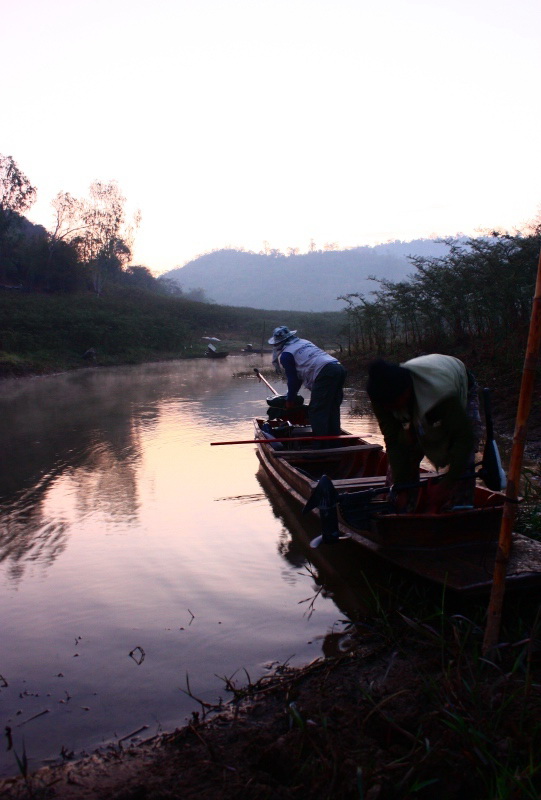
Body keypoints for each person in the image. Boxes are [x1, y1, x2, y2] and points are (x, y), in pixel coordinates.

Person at [366, 353, 482, 513]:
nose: (390, 409)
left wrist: (447, 484)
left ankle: (460, 509)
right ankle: (400, 509)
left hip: (458, 384)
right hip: (421, 392)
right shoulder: (381, 396)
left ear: (406, 392)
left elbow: (464, 439)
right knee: (406, 449)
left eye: (393, 404)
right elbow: (393, 441)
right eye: (386, 405)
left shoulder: (440, 393)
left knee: (465, 457)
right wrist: (401, 487)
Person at [268, 326, 347, 441]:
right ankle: (334, 443)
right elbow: (299, 377)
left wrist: (289, 400)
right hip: (339, 368)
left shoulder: (286, 354)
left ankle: (320, 448)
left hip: (325, 372)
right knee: (332, 409)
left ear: (279, 343)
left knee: (316, 411)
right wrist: (292, 396)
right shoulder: (304, 342)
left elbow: (293, 379)